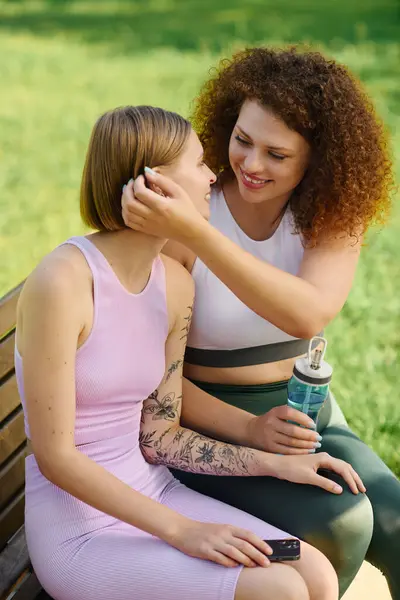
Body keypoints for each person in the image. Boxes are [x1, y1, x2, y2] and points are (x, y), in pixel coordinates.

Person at [15, 104, 363, 600]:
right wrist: (182, 530)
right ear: (156, 186)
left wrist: (271, 462)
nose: (211, 176)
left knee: (314, 574)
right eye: (199, 164)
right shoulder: (64, 282)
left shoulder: (175, 285)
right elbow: (55, 457)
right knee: (278, 588)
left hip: (155, 491)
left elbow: (159, 436)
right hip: (82, 529)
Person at [121, 47, 399, 599]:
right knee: (341, 522)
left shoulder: (332, 212)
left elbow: (308, 312)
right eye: (243, 140)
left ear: (316, 160)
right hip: (205, 420)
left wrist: (201, 238)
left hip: (306, 411)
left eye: (277, 154)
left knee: (393, 519)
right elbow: (154, 383)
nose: (251, 164)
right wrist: (250, 429)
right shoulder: (191, 209)